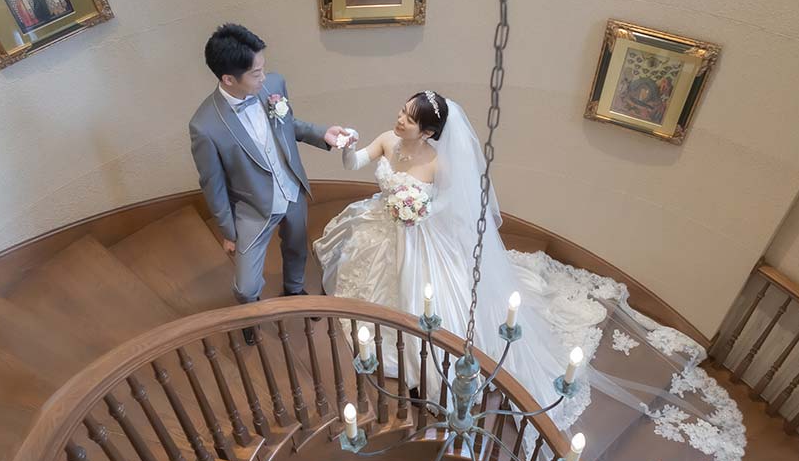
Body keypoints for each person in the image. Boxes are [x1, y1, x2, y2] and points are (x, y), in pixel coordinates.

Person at [314, 91, 706, 430]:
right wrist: (348, 147)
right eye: (402, 111)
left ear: (429, 133)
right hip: (382, 226)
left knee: (427, 299)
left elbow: (455, 204)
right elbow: (354, 164)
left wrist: (419, 209)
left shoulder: (438, 162)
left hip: (420, 234)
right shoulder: (387, 140)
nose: (400, 120)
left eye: (409, 119)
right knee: (366, 275)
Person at [188, 24, 351, 321]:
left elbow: (288, 125)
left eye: (263, 68)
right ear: (228, 79)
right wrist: (228, 232)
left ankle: (294, 289)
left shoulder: (275, 84)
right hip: (252, 209)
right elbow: (213, 185)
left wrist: (321, 134)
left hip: (291, 188)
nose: (264, 78)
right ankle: (251, 312)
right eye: (256, 73)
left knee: (297, 247)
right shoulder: (204, 126)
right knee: (246, 286)